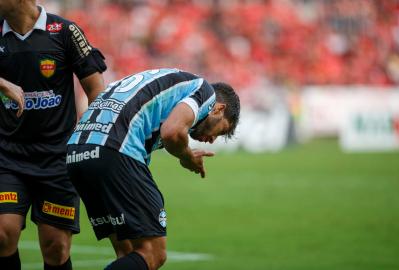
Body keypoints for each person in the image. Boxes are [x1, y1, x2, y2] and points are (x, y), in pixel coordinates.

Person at [66, 68, 240, 270]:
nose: (211, 140)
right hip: (114, 150)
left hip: (77, 153)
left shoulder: (165, 88)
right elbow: (172, 132)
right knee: (153, 252)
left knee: (129, 252)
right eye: (221, 131)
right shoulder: (204, 91)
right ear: (218, 109)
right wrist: (186, 156)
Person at [0, 1, 106, 270]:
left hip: (57, 159)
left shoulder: (65, 31)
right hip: (7, 156)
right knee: (2, 233)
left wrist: (90, 138)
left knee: (55, 247)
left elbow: (95, 88)